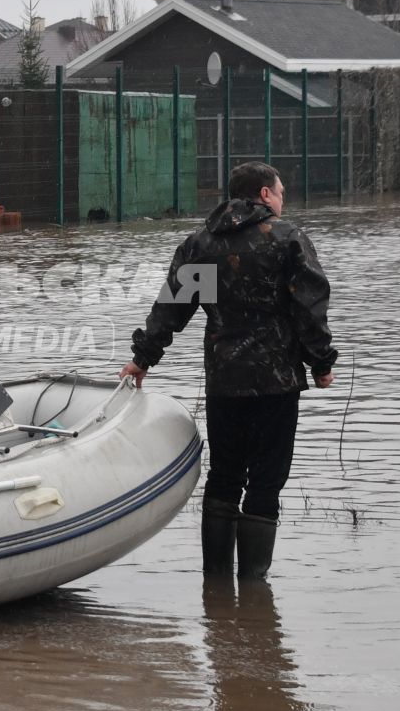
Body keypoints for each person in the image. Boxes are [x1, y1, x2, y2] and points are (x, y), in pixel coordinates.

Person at [119, 162, 337, 579]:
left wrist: (143, 358)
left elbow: (171, 310)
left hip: (224, 382)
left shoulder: (201, 245)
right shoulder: (287, 239)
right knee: (266, 482)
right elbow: (309, 309)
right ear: (263, 195)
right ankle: (254, 590)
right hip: (276, 384)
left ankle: (216, 586)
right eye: (280, 191)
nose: (282, 199)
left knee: (224, 477)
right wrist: (321, 362)